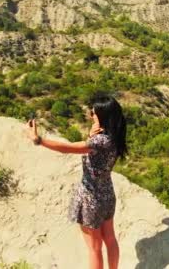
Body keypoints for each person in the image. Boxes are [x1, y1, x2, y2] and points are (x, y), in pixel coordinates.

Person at [27, 94, 128, 269]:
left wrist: (38, 140)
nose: (90, 115)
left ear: (101, 117)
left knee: (94, 248)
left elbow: (68, 149)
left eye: (93, 113)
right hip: (107, 194)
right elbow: (97, 149)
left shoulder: (98, 141)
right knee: (110, 239)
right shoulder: (114, 136)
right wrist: (92, 133)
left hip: (90, 198)